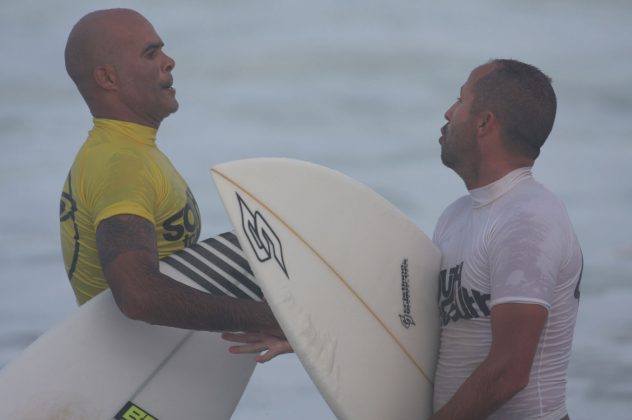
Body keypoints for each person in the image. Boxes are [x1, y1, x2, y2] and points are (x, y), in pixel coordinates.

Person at [59, 8, 286, 347]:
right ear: (108, 79)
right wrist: (269, 319)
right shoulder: (122, 165)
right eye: (151, 53)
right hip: (133, 369)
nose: (169, 61)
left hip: (145, 362)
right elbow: (137, 296)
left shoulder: (124, 151)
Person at [430, 59, 582, 419]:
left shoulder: (529, 220)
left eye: (460, 100)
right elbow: (416, 327)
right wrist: (299, 333)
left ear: (485, 122)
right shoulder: (456, 216)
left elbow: (509, 372)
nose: (448, 112)